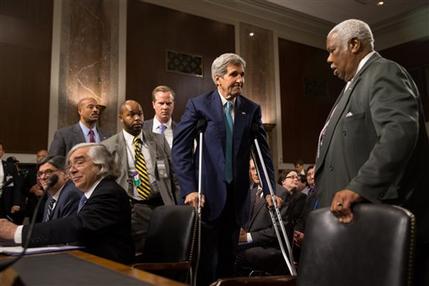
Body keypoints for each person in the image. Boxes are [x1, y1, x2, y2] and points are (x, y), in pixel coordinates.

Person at [315, 19, 429, 285]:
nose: (329, 59)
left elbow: (399, 133)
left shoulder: (384, 72)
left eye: (333, 50)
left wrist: (361, 185)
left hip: (376, 217)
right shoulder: (353, 85)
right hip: (351, 222)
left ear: (354, 44)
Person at [172, 53, 275, 285]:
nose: (240, 79)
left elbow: (263, 154)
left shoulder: (252, 109)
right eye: (233, 74)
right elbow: (180, 150)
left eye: (242, 75)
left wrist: (269, 190)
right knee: (205, 262)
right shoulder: (199, 105)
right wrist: (189, 189)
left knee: (229, 263)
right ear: (218, 79)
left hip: (236, 199)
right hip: (205, 197)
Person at [0, 143, 134, 264]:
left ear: (100, 166)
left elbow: (78, 226)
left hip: (109, 269)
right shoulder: (93, 193)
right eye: (70, 165)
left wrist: (17, 232)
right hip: (87, 263)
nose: (72, 170)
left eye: (79, 163)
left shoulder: (108, 192)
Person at [102, 99, 177, 253]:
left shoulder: (158, 139)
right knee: (139, 251)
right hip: (133, 207)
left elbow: (174, 173)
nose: (137, 118)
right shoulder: (109, 146)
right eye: (131, 115)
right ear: (121, 118)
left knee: (165, 249)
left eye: (140, 114)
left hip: (160, 204)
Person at [235, 160, 289, 276]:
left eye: (258, 168)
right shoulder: (250, 193)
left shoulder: (280, 192)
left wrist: (248, 237)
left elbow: (279, 230)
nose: (255, 173)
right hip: (249, 245)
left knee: (236, 255)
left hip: (270, 248)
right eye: (253, 169)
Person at [37, 156, 82, 222]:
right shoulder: (50, 198)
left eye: (49, 172)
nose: (43, 177)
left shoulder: (71, 195)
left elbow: (64, 230)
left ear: (66, 174)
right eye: (40, 173)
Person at [0, 142, 23, 223]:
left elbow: (17, 186)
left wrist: (16, 203)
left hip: (5, 203)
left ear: (3, 152)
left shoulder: (10, 166)